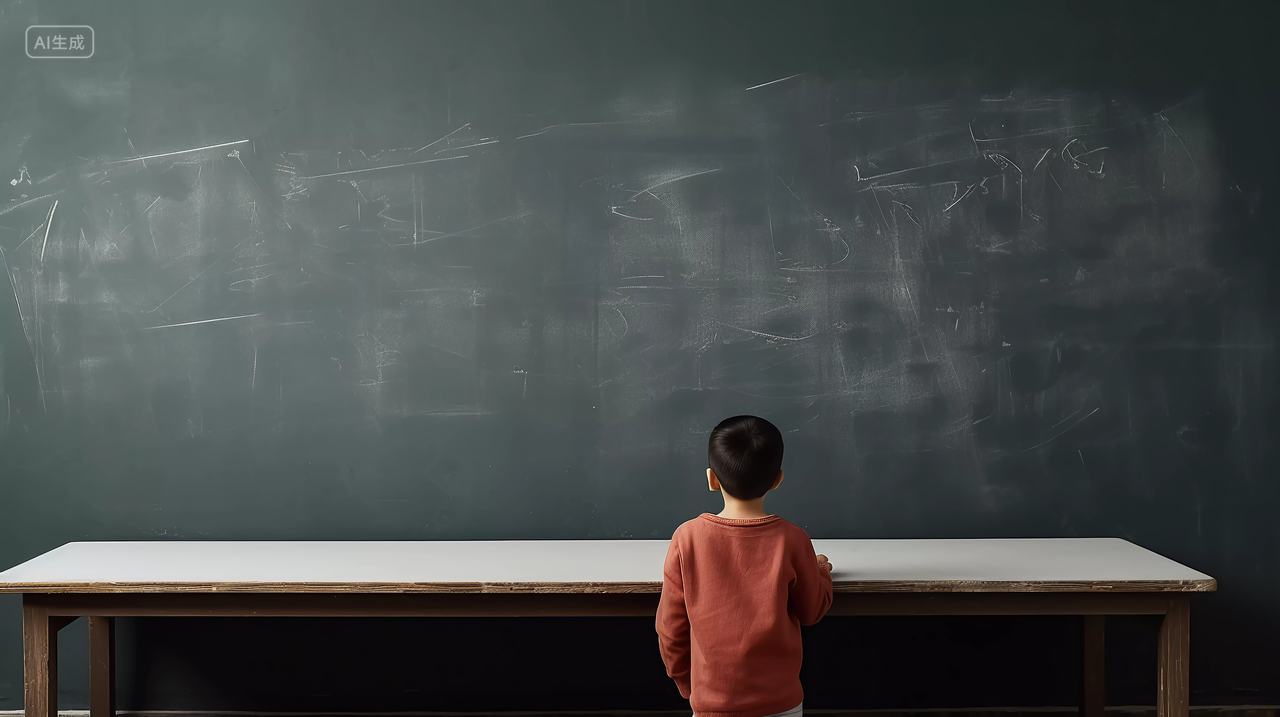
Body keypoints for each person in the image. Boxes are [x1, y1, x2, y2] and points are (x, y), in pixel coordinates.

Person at [656, 415, 834, 717]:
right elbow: (811, 610)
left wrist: (689, 686)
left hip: (711, 702)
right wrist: (821, 572)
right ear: (777, 479)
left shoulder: (686, 538)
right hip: (781, 703)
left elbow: (670, 628)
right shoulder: (793, 539)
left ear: (712, 479)